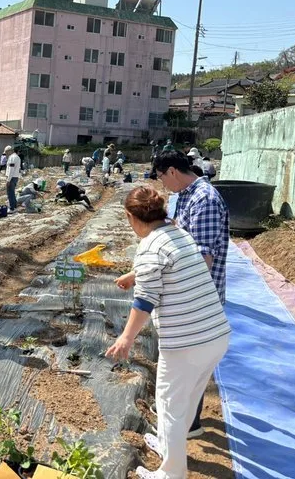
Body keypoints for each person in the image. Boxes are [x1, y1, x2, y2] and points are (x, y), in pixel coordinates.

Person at [108, 186, 230, 479]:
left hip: (188, 342)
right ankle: (167, 446)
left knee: (169, 402)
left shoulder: (149, 245)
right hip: (215, 334)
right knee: (185, 399)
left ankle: (171, 472)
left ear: (130, 217)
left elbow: (145, 299)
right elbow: (167, 264)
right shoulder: (179, 233)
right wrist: (133, 274)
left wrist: (126, 336)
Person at [154, 149, 230, 438]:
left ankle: (189, 424)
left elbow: (202, 259)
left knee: (190, 359)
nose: (162, 185)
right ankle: (176, 409)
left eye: (162, 178)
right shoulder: (185, 195)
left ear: (172, 171)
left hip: (198, 296)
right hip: (183, 293)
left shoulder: (205, 200)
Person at [3, 145, 21, 212]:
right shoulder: (17, 157)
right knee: (12, 192)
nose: (6, 154)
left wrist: (8, 180)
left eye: (7, 152)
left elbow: (11, 169)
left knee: (10, 193)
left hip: (12, 177)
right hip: (15, 177)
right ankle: (14, 206)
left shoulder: (12, 157)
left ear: (10, 151)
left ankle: (11, 208)